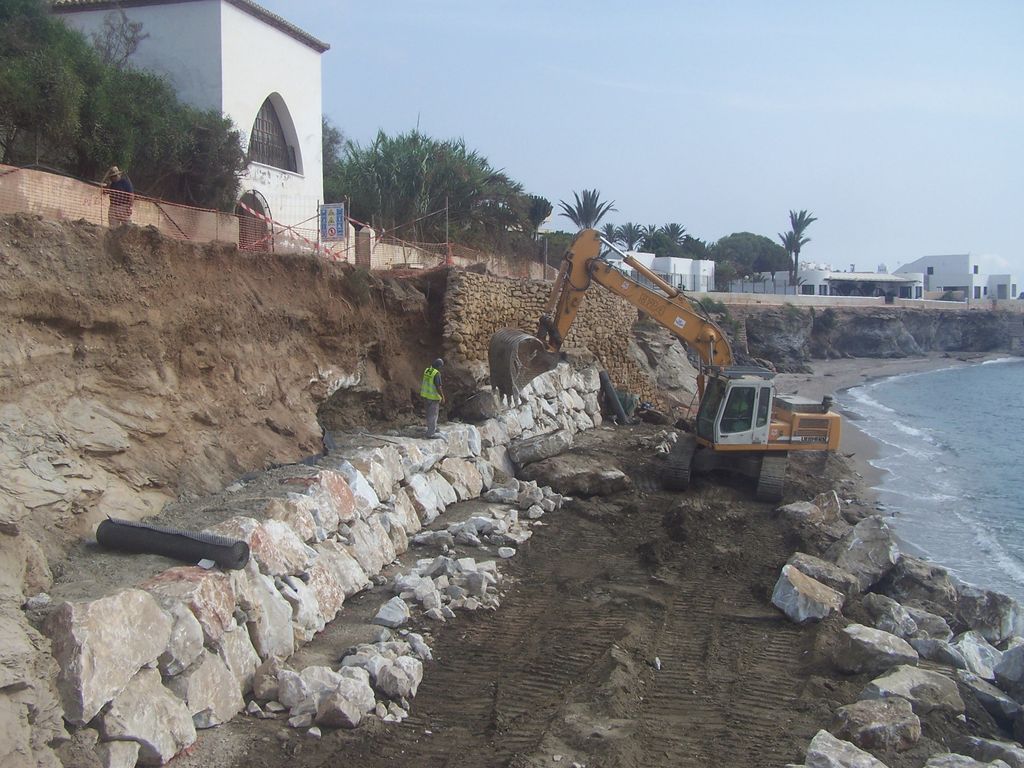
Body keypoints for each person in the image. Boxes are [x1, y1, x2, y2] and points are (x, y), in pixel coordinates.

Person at [420, 358, 445, 437]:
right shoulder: (436, 374)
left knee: (428, 413)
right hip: (433, 397)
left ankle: (432, 428)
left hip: (425, 395)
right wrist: (442, 396)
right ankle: (431, 433)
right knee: (433, 415)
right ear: (439, 366)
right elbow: (438, 387)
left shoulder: (427, 370)